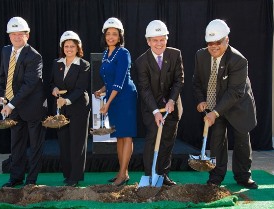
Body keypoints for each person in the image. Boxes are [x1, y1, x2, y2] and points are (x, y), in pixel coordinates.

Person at [192, 19, 258, 189]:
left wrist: (215, 113)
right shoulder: (201, 55)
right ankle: (215, 177)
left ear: (226, 40)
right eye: (210, 43)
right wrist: (201, 100)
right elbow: (197, 82)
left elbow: (235, 92)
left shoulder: (238, 60)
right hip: (215, 104)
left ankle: (243, 176)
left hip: (238, 104)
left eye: (218, 42)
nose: (213, 46)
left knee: (242, 141)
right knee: (217, 141)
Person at [0, 17, 47, 187]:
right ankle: (15, 178)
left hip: (32, 108)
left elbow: (29, 85)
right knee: (16, 144)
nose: (17, 37)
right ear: (9, 36)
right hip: (14, 106)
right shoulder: (5, 51)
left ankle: (31, 182)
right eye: (13, 34)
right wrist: (2, 96)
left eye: (20, 34)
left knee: (34, 146)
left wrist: (10, 104)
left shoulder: (34, 56)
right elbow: (3, 77)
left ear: (27, 36)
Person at [135, 20, 184, 186]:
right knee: (153, 138)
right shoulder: (142, 62)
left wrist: (172, 100)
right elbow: (145, 89)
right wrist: (156, 111)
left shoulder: (175, 54)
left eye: (162, 39)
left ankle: (163, 175)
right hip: (151, 108)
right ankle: (150, 176)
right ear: (148, 41)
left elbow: (179, 80)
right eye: (154, 40)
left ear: (166, 39)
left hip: (171, 107)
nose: (159, 43)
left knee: (168, 140)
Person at [94, 17, 137, 186]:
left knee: (126, 136)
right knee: (119, 137)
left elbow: (119, 82)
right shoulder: (106, 53)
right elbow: (109, 81)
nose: (111, 37)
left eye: (114, 34)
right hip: (113, 96)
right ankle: (123, 173)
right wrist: (102, 90)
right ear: (104, 36)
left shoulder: (124, 53)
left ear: (120, 37)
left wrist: (107, 103)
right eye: (108, 34)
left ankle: (122, 174)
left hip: (125, 97)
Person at [50, 31, 90, 187]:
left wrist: (66, 100)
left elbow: (80, 88)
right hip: (61, 107)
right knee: (64, 141)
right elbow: (52, 82)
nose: (69, 49)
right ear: (62, 47)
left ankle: (75, 176)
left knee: (77, 142)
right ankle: (67, 174)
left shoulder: (84, 64)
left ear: (77, 47)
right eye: (66, 46)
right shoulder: (56, 63)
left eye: (72, 46)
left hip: (78, 106)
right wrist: (53, 89)